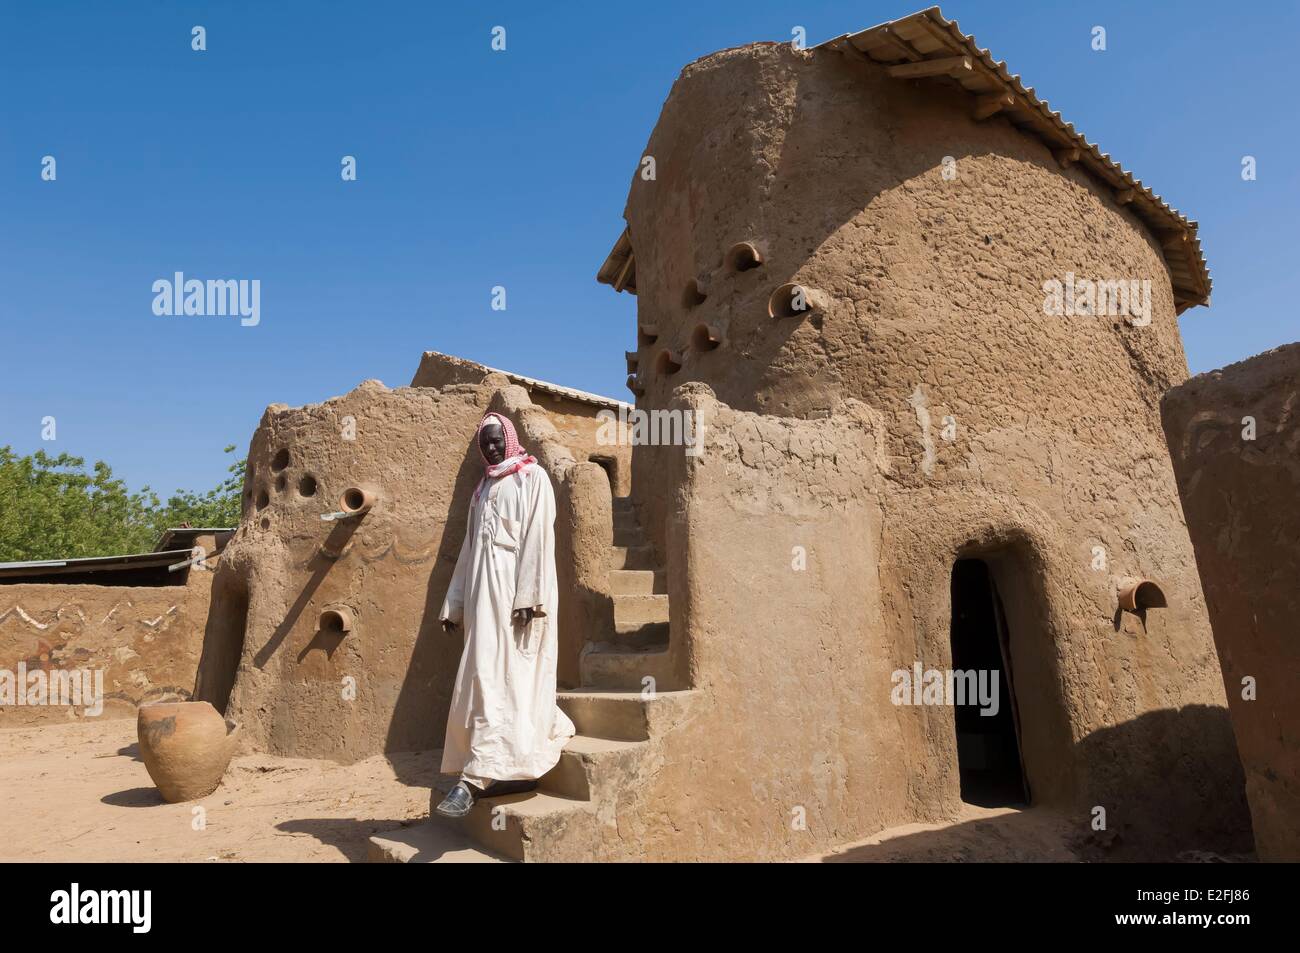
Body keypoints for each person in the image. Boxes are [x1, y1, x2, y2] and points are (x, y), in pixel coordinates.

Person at [434, 412, 575, 818]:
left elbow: (538, 538)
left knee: (512, 677)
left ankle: (475, 779)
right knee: (483, 676)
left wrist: (528, 595)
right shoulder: (481, 490)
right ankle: (493, 763)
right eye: (486, 442)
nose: (492, 447)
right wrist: (455, 603)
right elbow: (467, 550)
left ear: (510, 439)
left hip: (519, 600)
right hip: (482, 599)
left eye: (498, 440)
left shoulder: (533, 478)